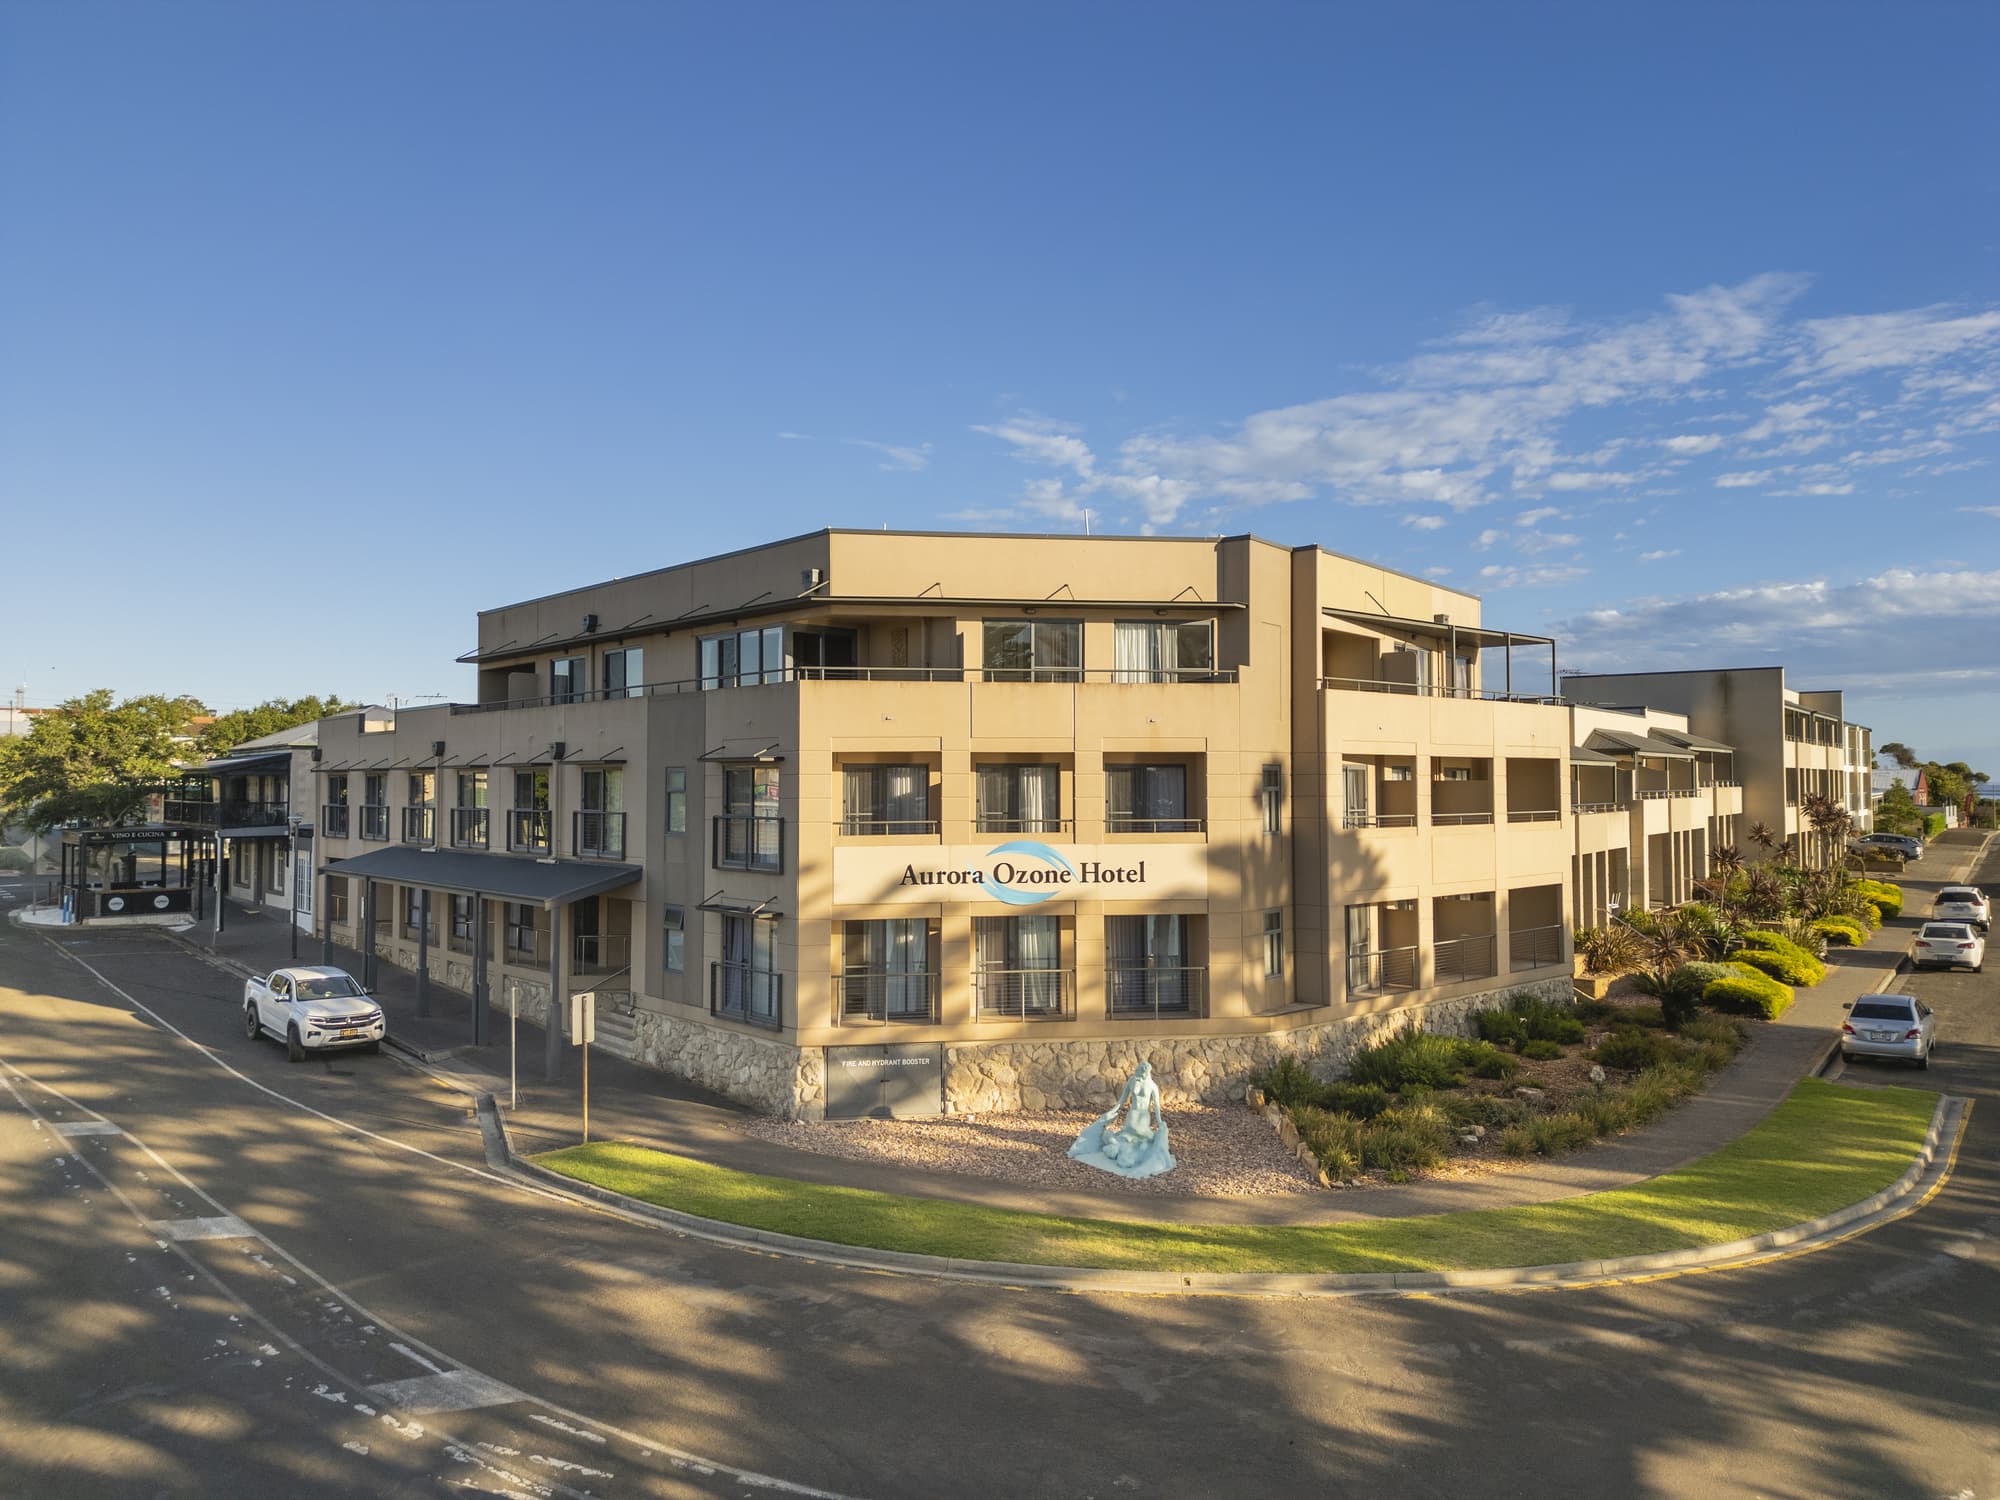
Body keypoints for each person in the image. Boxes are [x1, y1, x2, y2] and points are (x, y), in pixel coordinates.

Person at [1067, 1060, 1176, 1179]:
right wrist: (1112, 1111)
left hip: (1143, 1117)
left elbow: (1156, 1106)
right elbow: (1122, 1100)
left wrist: (1160, 1122)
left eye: (1142, 1071)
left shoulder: (1152, 1086)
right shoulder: (1132, 1081)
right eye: (1139, 1070)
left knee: (1144, 1140)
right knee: (1126, 1137)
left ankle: (1126, 1151)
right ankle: (1118, 1148)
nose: (1139, 1073)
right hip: (1132, 1116)